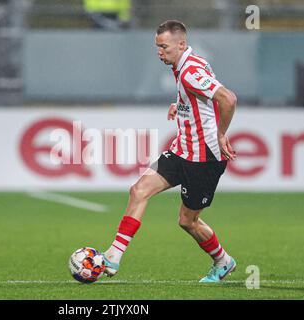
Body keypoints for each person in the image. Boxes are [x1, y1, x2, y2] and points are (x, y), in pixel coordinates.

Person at [102, 20, 238, 283]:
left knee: (188, 221)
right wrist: (181, 104)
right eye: (157, 47)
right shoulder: (185, 65)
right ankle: (114, 256)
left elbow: (228, 98)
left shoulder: (189, 71)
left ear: (181, 44)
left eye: (163, 47)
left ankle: (223, 260)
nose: (159, 52)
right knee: (138, 190)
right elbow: (202, 96)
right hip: (182, 150)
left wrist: (221, 134)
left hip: (204, 158)